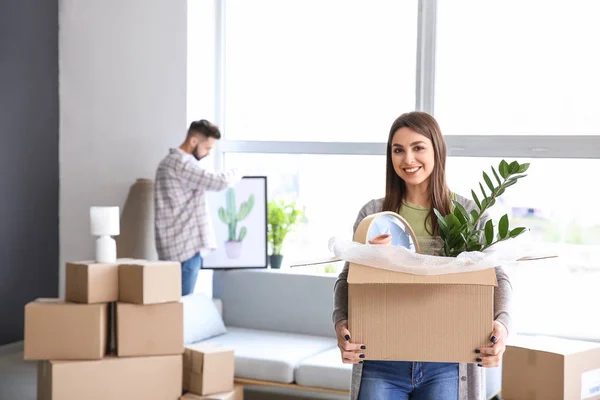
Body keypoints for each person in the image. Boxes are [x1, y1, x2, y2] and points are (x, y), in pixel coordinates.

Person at [332, 111, 512, 400]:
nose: (408, 159)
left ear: (437, 151)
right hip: (381, 360)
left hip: (448, 363)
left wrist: (501, 326)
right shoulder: (372, 215)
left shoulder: (469, 214)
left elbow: (496, 276)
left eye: (418, 147)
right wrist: (342, 326)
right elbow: (348, 278)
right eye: (398, 150)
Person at [154, 119, 242, 296]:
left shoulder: (167, 163)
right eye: (207, 148)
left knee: (174, 307)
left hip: (173, 248)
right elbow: (220, 182)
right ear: (193, 141)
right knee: (183, 308)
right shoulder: (181, 165)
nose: (208, 153)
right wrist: (239, 171)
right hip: (184, 250)